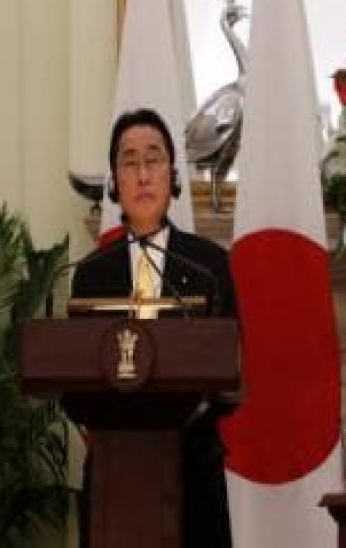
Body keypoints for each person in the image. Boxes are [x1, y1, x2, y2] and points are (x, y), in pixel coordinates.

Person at [71, 108, 235, 548]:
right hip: (114, 474)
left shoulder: (208, 266)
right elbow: (73, 386)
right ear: (114, 183)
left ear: (173, 175)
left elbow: (230, 382)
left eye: (154, 159)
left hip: (191, 471)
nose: (143, 174)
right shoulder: (91, 275)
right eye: (129, 162)